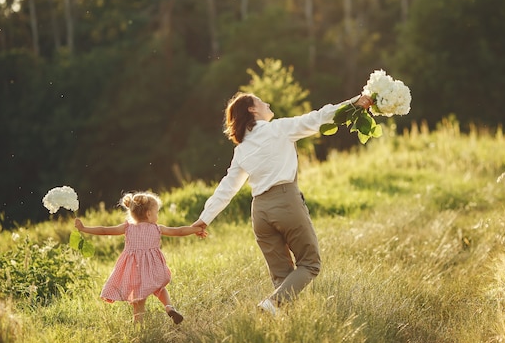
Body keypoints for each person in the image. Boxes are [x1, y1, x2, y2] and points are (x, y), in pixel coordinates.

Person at [191, 92, 373, 315]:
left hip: (259, 212)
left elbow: (227, 187)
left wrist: (204, 218)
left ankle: (281, 325)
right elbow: (319, 117)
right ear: (252, 109)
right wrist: (354, 103)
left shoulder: (241, 150)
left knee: (282, 277)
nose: (267, 103)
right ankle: (270, 305)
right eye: (261, 101)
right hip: (285, 202)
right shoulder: (278, 128)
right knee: (310, 264)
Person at [74, 191, 206, 324]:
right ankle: (169, 307)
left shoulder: (127, 228)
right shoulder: (157, 228)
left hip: (135, 269)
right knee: (160, 288)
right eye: (157, 212)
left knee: (138, 299)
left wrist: (84, 228)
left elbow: (104, 230)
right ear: (149, 214)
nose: (157, 215)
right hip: (154, 268)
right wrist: (196, 229)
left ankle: (138, 323)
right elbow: (179, 231)